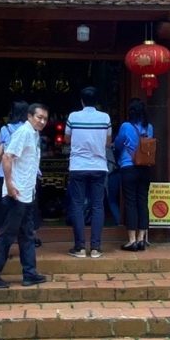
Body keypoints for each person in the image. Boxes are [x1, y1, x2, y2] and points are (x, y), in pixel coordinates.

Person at [0, 103, 49, 289]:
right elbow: (7, 156)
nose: (42, 121)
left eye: (45, 118)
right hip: (16, 194)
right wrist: (9, 184)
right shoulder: (24, 132)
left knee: (27, 234)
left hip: (27, 194)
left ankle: (30, 273)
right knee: (7, 235)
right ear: (29, 116)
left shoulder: (34, 134)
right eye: (39, 117)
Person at [65, 86, 112, 258]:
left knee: (77, 205)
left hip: (78, 166)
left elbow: (67, 139)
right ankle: (95, 248)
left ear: (82, 101)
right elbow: (108, 142)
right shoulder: (105, 117)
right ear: (97, 101)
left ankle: (79, 248)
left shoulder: (73, 117)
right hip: (99, 166)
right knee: (97, 206)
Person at [0, 100, 42, 247]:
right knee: (29, 206)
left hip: (5, 173)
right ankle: (31, 235)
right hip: (27, 175)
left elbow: (0, 152)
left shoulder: (5, 129)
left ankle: (2, 237)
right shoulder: (33, 130)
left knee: (5, 207)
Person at [113, 98, 153, 252]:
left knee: (130, 202)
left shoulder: (126, 126)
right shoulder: (149, 127)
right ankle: (142, 239)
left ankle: (132, 241)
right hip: (145, 168)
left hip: (128, 167)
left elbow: (118, 144)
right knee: (143, 201)